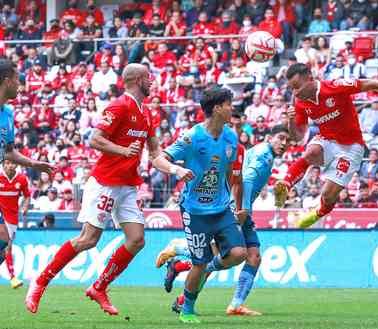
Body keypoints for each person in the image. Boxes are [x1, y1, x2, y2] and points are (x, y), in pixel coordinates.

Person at [25, 64, 193, 315]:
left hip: (126, 186)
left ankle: (99, 287)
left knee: (137, 240)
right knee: (88, 240)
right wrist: (123, 151)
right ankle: (40, 282)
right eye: (149, 77)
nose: (153, 82)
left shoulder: (147, 113)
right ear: (137, 80)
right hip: (105, 183)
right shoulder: (119, 106)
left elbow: (156, 154)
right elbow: (94, 139)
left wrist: (176, 170)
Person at [159, 125, 291, 316]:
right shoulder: (264, 156)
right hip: (234, 208)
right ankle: (179, 251)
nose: (284, 144)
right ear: (269, 138)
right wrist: (242, 209)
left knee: (249, 257)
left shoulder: (262, 152)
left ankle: (230, 303)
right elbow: (245, 179)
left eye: (288, 141)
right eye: (281, 138)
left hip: (239, 208)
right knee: (227, 256)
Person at [273, 63, 378, 228]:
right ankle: (285, 185)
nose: (294, 92)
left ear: (309, 78)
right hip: (326, 139)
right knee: (311, 152)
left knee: (328, 195)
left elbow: (371, 83)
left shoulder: (335, 87)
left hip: (351, 147)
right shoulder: (299, 102)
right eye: (291, 88)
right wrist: (291, 122)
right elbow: (297, 137)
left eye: (297, 87)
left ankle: (319, 212)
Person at [162, 87, 248, 324]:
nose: (233, 108)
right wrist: (176, 169)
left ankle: (185, 264)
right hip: (195, 211)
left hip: (221, 209)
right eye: (229, 104)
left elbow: (230, 172)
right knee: (199, 266)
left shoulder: (230, 136)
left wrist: (233, 202)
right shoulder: (191, 137)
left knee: (240, 253)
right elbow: (160, 158)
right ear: (217, 108)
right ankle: (187, 309)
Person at [0, 59, 53, 286]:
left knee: (3, 243)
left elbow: (9, 152)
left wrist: (34, 164)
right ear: (6, 81)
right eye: (16, 80)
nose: (19, 86)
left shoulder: (9, 114)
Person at [0, 160, 30, 289]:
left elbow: (27, 196)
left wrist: (24, 206)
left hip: (12, 217)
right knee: (6, 245)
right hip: (1, 214)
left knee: (6, 248)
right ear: (3, 165)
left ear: (16, 165)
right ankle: (13, 277)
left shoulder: (22, 179)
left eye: (12, 163)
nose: (9, 165)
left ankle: (12, 278)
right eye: (6, 163)